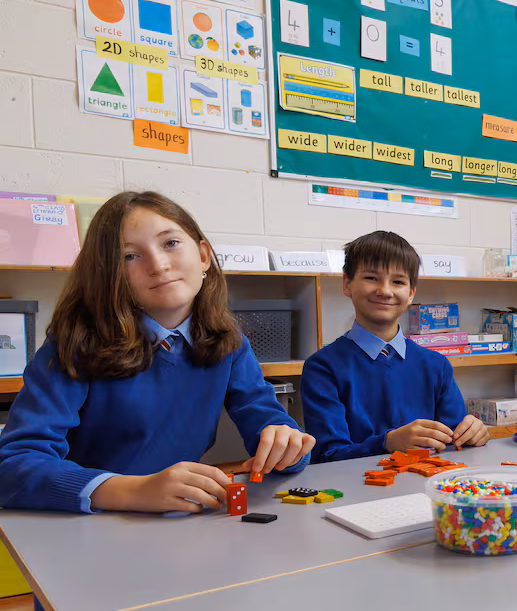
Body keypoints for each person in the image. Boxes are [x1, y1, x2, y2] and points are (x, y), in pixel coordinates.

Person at [0, 191, 313, 514]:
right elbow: (13, 466)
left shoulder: (228, 341)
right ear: (109, 275)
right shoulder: (74, 344)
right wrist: (133, 490)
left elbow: (268, 421)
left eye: (170, 243)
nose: (159, 265)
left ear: (203, 256)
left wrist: (288, 445)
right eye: (129, 256)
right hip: (88, 526)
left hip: (178, 523)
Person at [301, 231, 487, 463]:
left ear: (410, 294)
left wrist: (473, 433)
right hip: (356, 485)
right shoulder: (322, 367)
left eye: (398, 282)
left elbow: (454, 440)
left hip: (426, 482)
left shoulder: (436, 365)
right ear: (347, 284)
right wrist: (387, 443)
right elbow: (326, 456)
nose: (385, 291)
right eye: (371, 278)